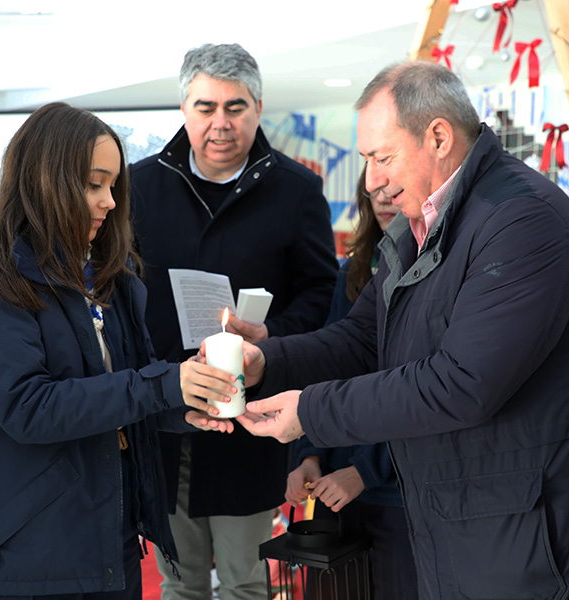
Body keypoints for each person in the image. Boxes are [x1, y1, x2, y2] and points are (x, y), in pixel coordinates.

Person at [232, 61, 569, 599]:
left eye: (382, 157)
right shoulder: (417, 225)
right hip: (470, 525)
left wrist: (309, 411)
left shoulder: (524, 221)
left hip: (544, 543)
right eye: (366, 160)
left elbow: (463, 383)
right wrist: (268, 363)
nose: (371, 179)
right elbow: (360, 339)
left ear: (439, 136)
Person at [0, 102, 239, 600]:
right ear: (42, 179)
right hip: (28, 552)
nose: (108, 202)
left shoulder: (105, 276)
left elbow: (124, 391)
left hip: (106, 533)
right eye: (92, 184)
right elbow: (29, 408)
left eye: (112, 186)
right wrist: (161, 386)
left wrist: (185, 401)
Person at [129, 43, 338, 600]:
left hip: (254, 416)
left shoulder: (296, 190)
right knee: (180, 580)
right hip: (168, 411)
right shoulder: (138, 187)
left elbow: (321, 291)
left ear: (259, 107)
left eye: (235, 107)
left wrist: (274, 337)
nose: (220, 123)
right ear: (183, 109)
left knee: (247, 580)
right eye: (205, 107)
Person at [285, 165, 417, 600]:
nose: (382, 194)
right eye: (373, 181)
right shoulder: (352, 272)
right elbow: (328, 370)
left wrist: (365, 470)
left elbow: (422, 390)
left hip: (398, 493)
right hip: (332, 490)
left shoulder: (441, 271)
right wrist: (306, 456)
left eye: (393, 179)